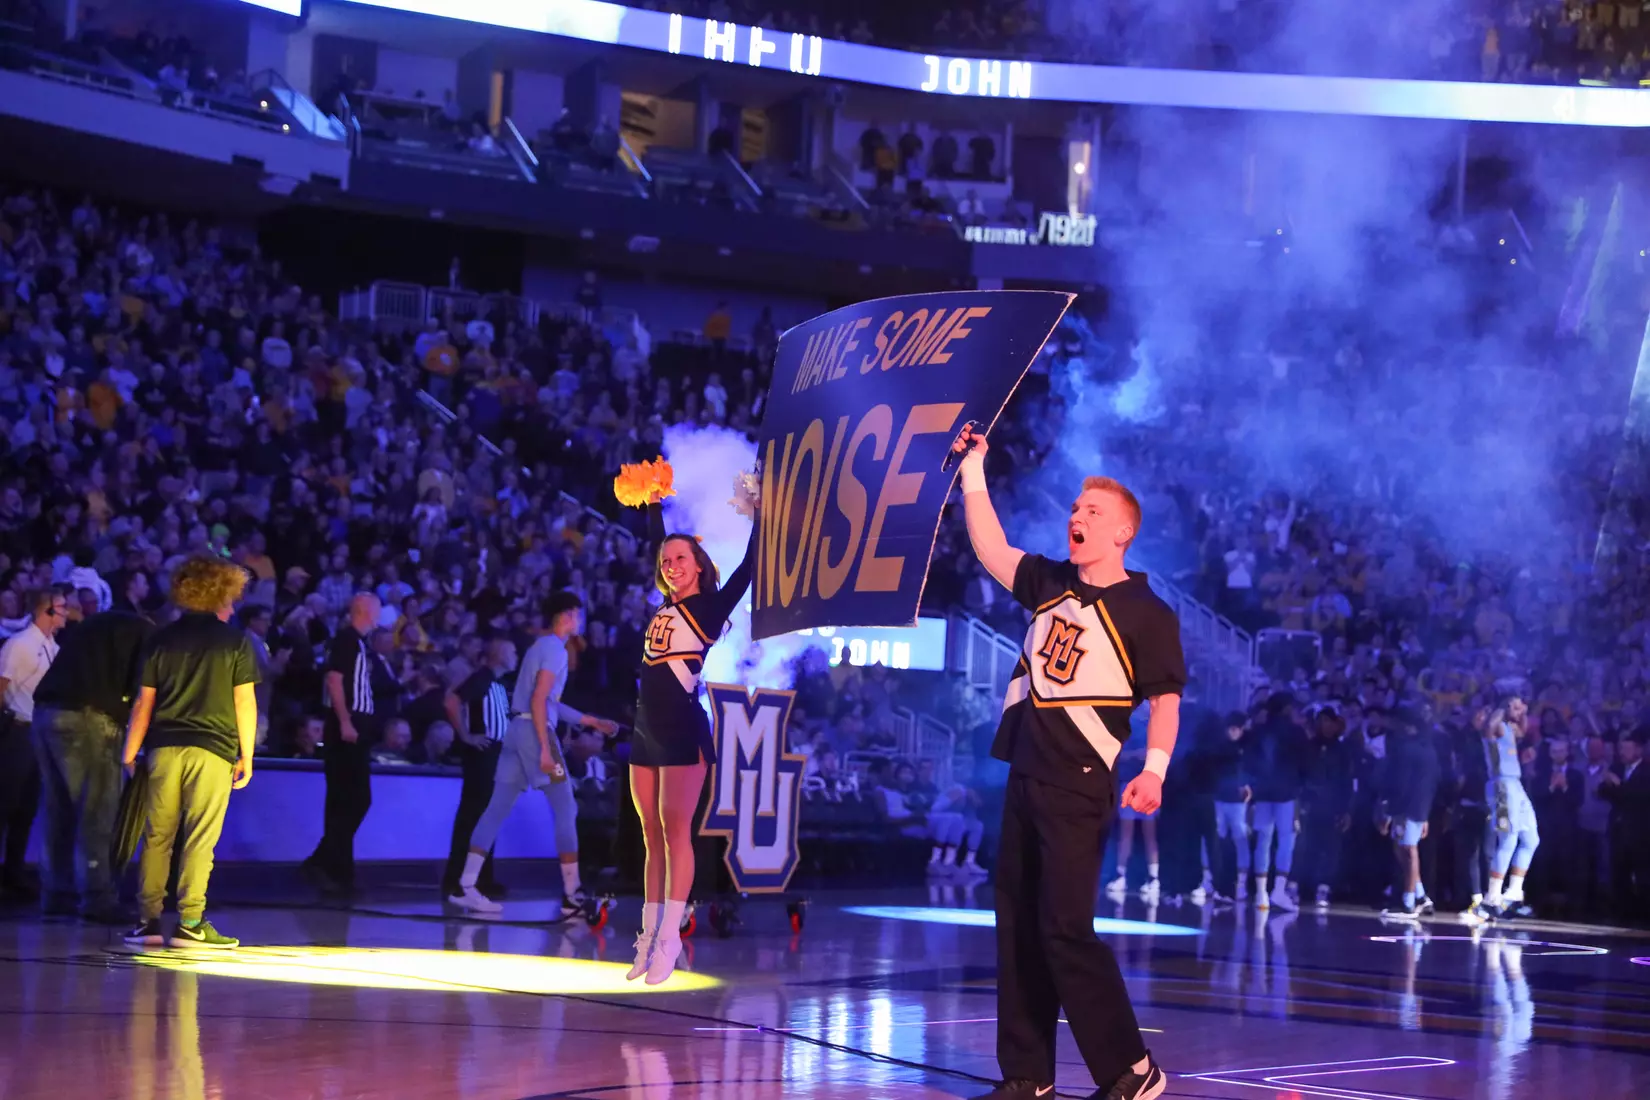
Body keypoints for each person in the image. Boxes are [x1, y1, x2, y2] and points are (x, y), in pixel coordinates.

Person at [954, 426, 1183, 1100]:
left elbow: (1166, 702)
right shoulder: (1050, 581)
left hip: (1079, 785)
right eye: (1076, 509)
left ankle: (1133, 1070)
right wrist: (975, 468)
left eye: (1094, 513)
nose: (1077, 518)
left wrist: (1156, 769)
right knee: (1018, 929)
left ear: (1122, 535)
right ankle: (1027, 1076)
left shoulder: (1147, 613)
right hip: (1025, 776)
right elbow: (991, 547)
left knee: (1065, 930)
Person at [620, 477, 757, 986]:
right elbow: (660, 541)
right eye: (667, 561)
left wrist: (760, 514)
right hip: (644, 729)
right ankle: (648, 933)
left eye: (681, 559)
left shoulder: (709, 607)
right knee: (650, 836)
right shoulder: (665, 606)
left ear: (699, 564)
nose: (671, 565)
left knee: (677, 833)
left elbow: (747, 570)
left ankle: (672, 937)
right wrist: (654, 500)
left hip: (682, 728)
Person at [119, 556, 258, 949]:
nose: (232, 607)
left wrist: (129, 753)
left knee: (157, 836)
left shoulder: (160, 639)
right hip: (212, 751)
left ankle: (147, 923)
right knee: (199, 838)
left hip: (163, 749)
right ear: (220, 596)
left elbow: (143, 704)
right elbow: (244, 703)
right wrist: (247, 755)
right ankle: (191, 923)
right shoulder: (235, 642)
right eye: (230, 599)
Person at [450, 594, 618, 916]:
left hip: (516, 731)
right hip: (535, 734)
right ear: (567, 615)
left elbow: (546, 701)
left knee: (496, 810)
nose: (580, 621)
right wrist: (544, 748)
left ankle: (466, 885)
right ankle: (572, 894)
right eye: (577, 615)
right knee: (567, 807)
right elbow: (541, 700)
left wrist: (590, 720)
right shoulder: (556, 649)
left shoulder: (540, 647)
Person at [30, 607, 153, 922]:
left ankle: (56, 893)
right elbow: (142, 694)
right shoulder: (149, 636)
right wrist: (134, 746)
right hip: (90, 716)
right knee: (96, 809)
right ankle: (97, 897)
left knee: (58, 808)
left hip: (45, 711)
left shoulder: (100, 625)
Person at [303, 592, 383, 895]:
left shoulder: (359, 642)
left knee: (346, 801)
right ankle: (323, 863)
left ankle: (338, 870)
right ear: (363, 609)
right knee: (353, 798)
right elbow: (334, 680)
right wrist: (346, 721)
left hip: (352, 725)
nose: (379, 614)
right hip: (346, 726)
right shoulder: (347, 640)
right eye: (375, 607)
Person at [0, 589, 67, 900]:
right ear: (47, 611)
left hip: (38, 732)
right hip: (17, 731)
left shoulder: (51, 645)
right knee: (6, 805)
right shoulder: (20, 644)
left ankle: (13, 872)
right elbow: (1, 687)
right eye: (62, 608)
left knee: (26, 809)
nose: (67, 613)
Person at [440, 637, 517, 901]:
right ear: (499, 653)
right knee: (473, 818)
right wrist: (465, 735)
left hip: (496, 756)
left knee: (488, 818)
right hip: (482, 756)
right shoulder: (482, 678)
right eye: (512, 650)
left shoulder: (498, 682)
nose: (516, 654)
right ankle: (458, 879)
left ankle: (482, 878)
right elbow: (451, 700)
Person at [1474, 696, 1539, 920]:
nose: (1520, 711)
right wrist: (1503, 708)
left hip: (1516, 785)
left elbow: (1523, 729)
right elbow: (1490, 726)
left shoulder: (1510, 729)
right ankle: (1492, 899)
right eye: (1516, 706)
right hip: (1501, 786)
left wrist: (1522, 712)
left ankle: (1512, 894)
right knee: (1508, 838)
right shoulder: (1493, 728)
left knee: (1531, 839)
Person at [1377, 708, 1441, 920]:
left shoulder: (1405, 749)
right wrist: (1426, 814)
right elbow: (1433, 783)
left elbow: (1400, 783)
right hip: (1420, 806)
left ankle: (1408, 903)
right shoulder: (1430, 750)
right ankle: (1421, 896)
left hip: (1407, 806)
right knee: (1400, 847)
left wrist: (1389, 810)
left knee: (1408, 849)